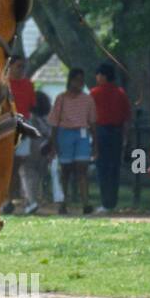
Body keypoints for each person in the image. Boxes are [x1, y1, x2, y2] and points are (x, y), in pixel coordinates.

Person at [49, 67, 97, 214]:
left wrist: (95, 142)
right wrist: (54, 144)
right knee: (66, 171)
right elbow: (54, 123)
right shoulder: (61, 98)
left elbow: (93, 122)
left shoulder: (87, 99)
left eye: (82, 81)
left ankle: (85, 202)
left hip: (82, 134)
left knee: (82, 168)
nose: (80, 83)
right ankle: (63, 203)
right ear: (71, 81)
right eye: (77, 80)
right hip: (65, 134)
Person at [90, 61, 132, 214]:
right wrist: (126, 137)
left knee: (102, 167)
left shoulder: (94, 93)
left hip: (101, 132)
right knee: (114, 167)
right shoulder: (120, 93)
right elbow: (127, 116)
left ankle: (105, 201)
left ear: (102, 76)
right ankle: (112, 202)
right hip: (116, 132)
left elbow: (91, 117)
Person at [3, 56, 36, 212]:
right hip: (6, 126)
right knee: (7, 165)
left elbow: (31, 106)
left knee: (20, 164)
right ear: (9, 66)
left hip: (23, 126)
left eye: (23, 67)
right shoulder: (3, 84)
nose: (21, 70)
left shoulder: (28, 84)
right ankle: (6, 200)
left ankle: (27, 201)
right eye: (19, 66)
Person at [18, 91, 54, 215]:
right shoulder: (47, 118)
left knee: (27, 173)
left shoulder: (30, 118)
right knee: (37, 175)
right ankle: (33, 199)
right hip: (44, 148)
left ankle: (31, 201)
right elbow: (50, 133)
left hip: (31, 146)